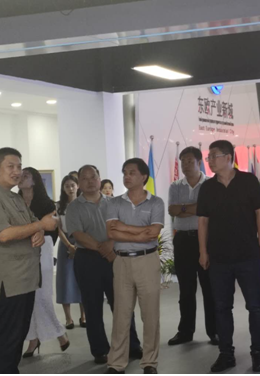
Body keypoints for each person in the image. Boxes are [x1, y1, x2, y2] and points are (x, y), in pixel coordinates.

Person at [0, 148, 57, 373]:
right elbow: (4, 235)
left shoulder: (14, 197)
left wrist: (39, 230)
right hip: (7, 282)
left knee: (16, 338)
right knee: (8, 341)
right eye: (10, 166)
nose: (17, 171)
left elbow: (33, 223)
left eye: (19, 166)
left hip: (25, 279)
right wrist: (40, 225)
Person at [197, 140, 260, 373]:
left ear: (228, 157)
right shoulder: (207, 187)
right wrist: (203, 252)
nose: (209, 160)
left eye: (214, 156)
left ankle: (258, 354)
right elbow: (203, 221)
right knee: (221, 307)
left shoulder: (249, 181)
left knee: (255, 306)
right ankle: (226, 354)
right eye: (208, 157)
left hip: (247, 255)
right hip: (218, 257)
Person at [66, 165, 141, 365]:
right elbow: (78, 234)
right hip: (87, 260)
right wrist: (104, 249)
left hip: (115, 258)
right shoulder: (74, 207)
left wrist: (112, 244)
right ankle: (100, 350)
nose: (90, 181)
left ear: (100, 179)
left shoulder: (115, 203)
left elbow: (124, 228)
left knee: (123, 304)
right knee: (92, 307)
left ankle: (132, 345)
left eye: (94, 177)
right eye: (85, 178)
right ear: (79, 182)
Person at [105, 158, 165, 375]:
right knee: (121, 315)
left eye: (131, 172)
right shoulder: (114, 203)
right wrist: (140, 232)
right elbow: (111, 232)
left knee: (150, 314)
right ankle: (116, 363)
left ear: (143, 176)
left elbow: (153, 233)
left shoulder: (156, 202)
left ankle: (150, 362)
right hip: (121, 262)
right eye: (124, 173)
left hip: (147, 261)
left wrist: (124, 227)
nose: (126, 176)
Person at [167, 146, 217, 346]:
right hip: (183, 241)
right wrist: (197, 208)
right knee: (186, 289)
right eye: (183, 161)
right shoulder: (175, 186)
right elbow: (172, 210)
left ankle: (214, 331)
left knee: (209, 288)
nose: (186, 165)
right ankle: (185, 331)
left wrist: (184, 209)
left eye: (189, 161)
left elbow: (210, 210)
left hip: (206, 240)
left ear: (199, 162)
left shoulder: (211, 184)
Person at [18, 167, 70, 357]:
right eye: (20, 175)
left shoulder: (46, 203)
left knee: (42, 296)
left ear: (34, 181)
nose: (21, 177)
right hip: (20, 251)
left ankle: (59, 333)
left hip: (42, 249)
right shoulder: (14, 201)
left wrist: (38, 232)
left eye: (26, 175)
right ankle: (33, 339)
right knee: (27, 298)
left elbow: (53, 229)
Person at [56, 175, 86, 329]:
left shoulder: (84, 204)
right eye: (67, 186)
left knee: (83, 279)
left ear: (78, 186)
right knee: (65, 280)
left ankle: (84, 316)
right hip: (65, 243)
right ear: (63, 188)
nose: (70, 188)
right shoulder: (58, 206)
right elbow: (58, 229)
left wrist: (78, 245)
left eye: (73, 185)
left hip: (82, 242)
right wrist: (69, 245)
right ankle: (68, 318)